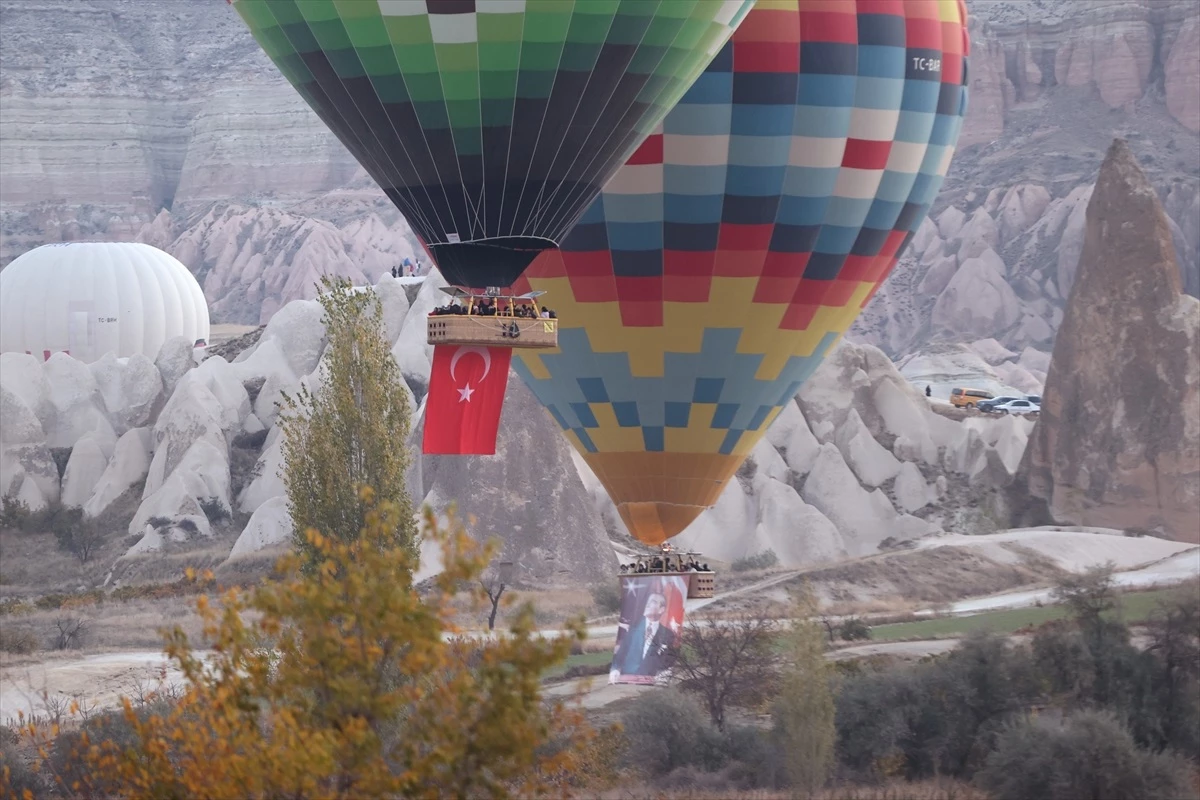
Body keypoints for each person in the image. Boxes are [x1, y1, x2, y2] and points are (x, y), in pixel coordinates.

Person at [610, 591, 676, 681]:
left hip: (650, 682)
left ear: (661, 609)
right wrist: (614, 670)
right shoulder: (632, 630)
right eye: (647, 601)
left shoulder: (668, 634)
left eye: (653, 601)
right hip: (626, 681)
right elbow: (620, 656)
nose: (647, 604)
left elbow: (667, 661)